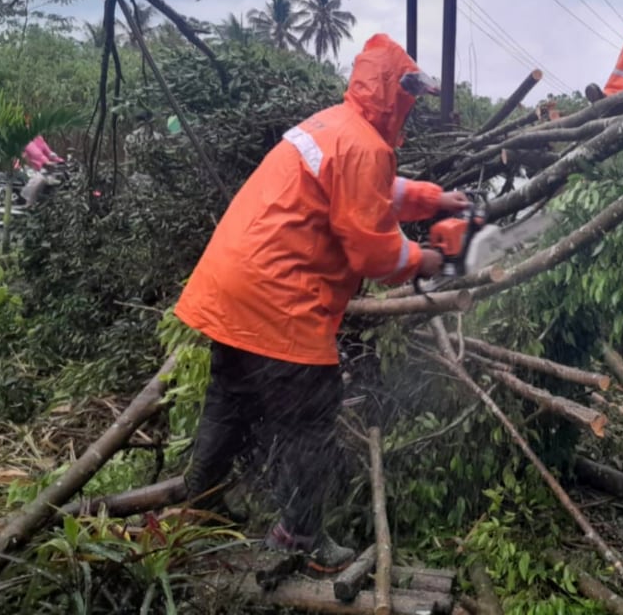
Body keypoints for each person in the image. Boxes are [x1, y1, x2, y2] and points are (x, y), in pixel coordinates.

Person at [174, 34, 470, 574]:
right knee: (311, 418)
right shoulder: (364, 146)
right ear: (395, 92)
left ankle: (200, 502)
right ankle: (299, 538)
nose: (412, 108)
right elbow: (374, 251)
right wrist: (425, 260)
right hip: (279, 296)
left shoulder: (334, 123)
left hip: (233, 285)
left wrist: (435, 198)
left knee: (231, 397)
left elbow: (376, 187)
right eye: (411, 97)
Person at [21, 134, 63, 207]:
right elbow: (35, 153)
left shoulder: (38, 138)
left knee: (52, 178)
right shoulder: (25, 137)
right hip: (26, 168)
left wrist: (59, 160)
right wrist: (46, 161)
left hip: (39, 168)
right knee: (41, 179)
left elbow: (48, 152)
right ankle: (29, 203)